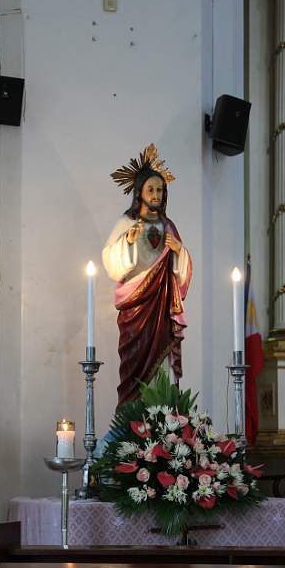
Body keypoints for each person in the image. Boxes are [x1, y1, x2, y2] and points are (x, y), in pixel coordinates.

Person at [102, 144, 192, 405]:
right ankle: (131, 419)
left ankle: (160, 420)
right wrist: (126, 243)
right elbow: (110, 260)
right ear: (139, 191)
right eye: (150, 189)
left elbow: (181, 273)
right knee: (134, 363)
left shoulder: (168, 226)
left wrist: (179, 252)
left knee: (160, 364)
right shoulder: (126, 223)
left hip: (161, 308)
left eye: (160, 189)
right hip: (135, 309)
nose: (155, 194)